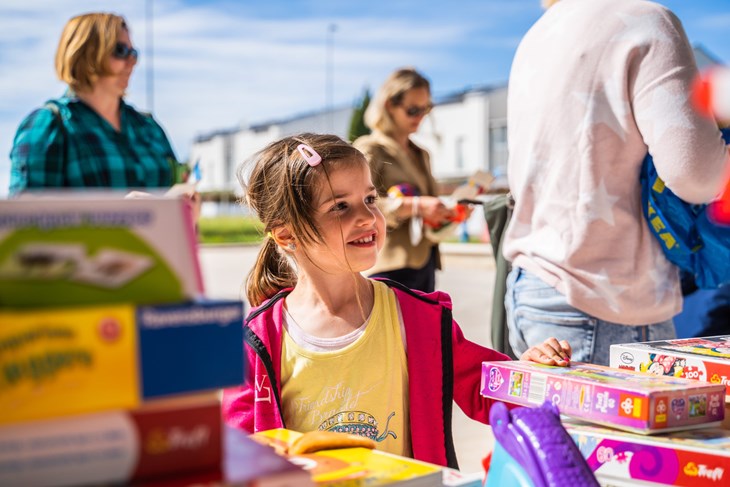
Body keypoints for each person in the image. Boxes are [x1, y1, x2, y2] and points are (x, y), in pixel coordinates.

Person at [222, 133, 571, 468]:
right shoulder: (256, 340)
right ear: (287, 236)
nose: (367, 217)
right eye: (340, 206)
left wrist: (532, 374)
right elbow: (235, 452)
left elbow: (487, 387)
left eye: (370, 199)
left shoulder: (417, 317)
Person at [503, 0, 730, 365]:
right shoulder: (645, 20)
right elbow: (697, 175)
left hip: (534, 289)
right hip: (607, 302)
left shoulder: (536, 36)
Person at [9, 12, 181, 196]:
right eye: (121, 51)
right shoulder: (49, 126)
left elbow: (177, 185)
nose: (132, 61)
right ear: (86, 54)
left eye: (134, 53)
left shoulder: (149, 127)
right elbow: (26, 221)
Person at [353, 68, 455, 293]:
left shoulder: (421, 153)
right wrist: (416, 206)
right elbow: (358, 204)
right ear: (389, 105)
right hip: (389, 265)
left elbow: (429, 205)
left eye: (426, 109)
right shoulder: (370, 148)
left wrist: (450, 213)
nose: (420, 117)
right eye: (412, 110)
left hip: (425, 261)